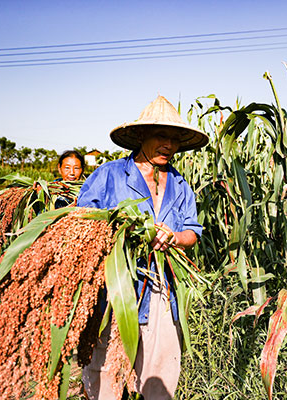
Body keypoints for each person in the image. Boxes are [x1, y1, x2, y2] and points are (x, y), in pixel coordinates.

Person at [77, 95, 208, 399]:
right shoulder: (109, 175)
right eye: (162, 136)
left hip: (161, 291)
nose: (170, 145)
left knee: (159, 375)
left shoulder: (179, 184)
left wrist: (174, 238)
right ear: (141, 136)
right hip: (114, 292)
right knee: (105, 376)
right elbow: (83, 223)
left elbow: (193, 231)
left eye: (175, 139)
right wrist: (128, 232)